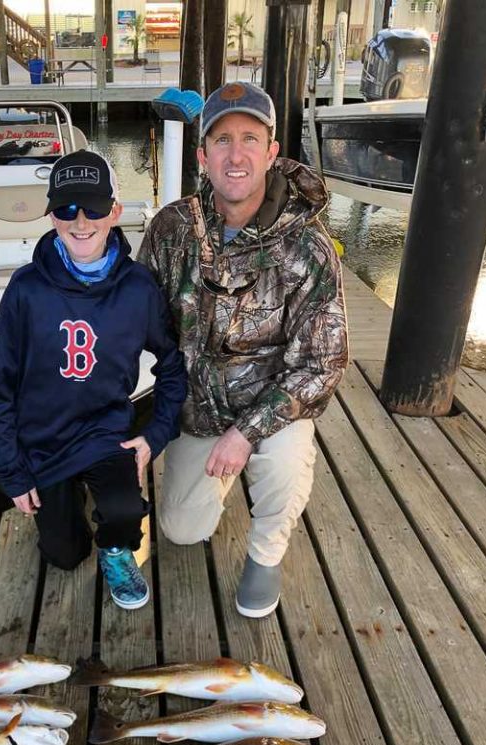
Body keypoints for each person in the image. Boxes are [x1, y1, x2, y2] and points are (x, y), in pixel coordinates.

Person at [137, 82, 348, 618]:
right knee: (182, 531)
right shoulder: (170, 228)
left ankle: (265, 552)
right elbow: (135, 325)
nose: (236, 155)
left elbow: (323, 363)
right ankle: (221, 476)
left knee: (285, 461)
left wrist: (245, 433)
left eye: (250, 139)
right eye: (223, 140)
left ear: (272, 151)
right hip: (195, 413)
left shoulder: (309, 246)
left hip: (271, 410)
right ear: (202, 154)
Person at [0, 150, 187, 611]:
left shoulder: (138, 289)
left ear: (115, 212)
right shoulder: (24, 289)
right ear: (51, 214)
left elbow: (172, 367)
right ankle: (64, 507)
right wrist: (10, 469)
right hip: (43, 440)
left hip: (103, 434)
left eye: (95, 208)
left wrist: (154, 435)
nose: (81, 222)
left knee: (122, 512)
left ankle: (116, 550)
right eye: (67, 209)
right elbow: (0, 385)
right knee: (64, 555)